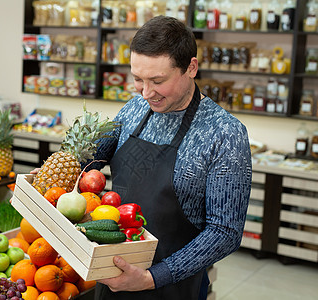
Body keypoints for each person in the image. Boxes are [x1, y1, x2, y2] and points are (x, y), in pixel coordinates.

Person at [88, 15, 252, 299]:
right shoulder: (133, 110)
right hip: (113, 275)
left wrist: (150, 278)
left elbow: (225, 231)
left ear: (191, 67)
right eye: (138, 79)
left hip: (172, 287)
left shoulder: (225, 133)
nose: (147, 92)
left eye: (158, 80)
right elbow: (92, 157)